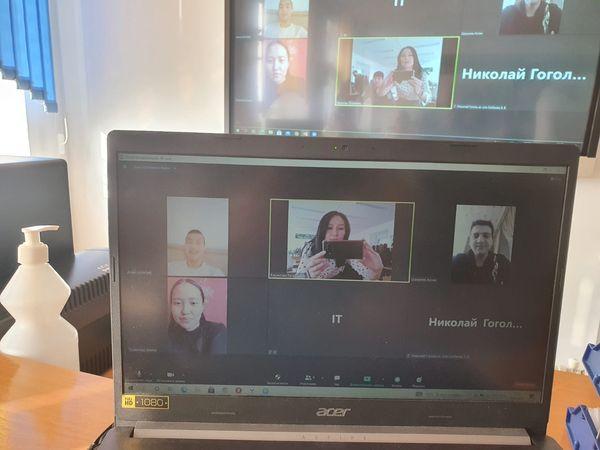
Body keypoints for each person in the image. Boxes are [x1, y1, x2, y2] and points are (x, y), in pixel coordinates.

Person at [295, 211, 384, 280]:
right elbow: (297, 279)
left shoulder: (347, 250)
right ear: (322, 230)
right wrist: (308, 275)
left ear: (346, 232)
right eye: (329, 228)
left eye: (340, 228)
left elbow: (369, 276)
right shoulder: (310, 247)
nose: (335, 233)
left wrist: (377, 271)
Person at [167, 278, 227, 354]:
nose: (185, 311)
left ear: (203, 305)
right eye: (177, 303)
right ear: (171, 306)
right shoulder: (164, 335)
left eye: (193, 303)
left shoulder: (217, 332)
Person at [451, 220, 510, 285]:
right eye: (476, 236)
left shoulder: (502, 262)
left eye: (486, 236)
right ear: (469, 241)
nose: (480, 240)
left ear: (492, 241)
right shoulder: (457, 262)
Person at [263, 40, 307, 119]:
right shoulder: (260, 89)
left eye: (281, 60)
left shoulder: (301, 85)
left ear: (288, 63)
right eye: (270, 61)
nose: (275, 67)